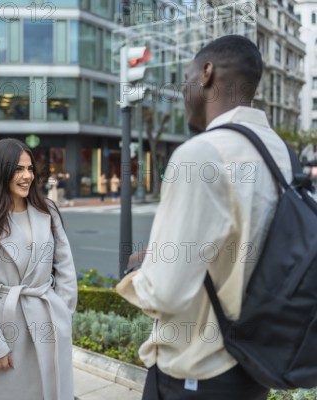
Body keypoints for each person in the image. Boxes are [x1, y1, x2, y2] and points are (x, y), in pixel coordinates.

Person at [116, 35, 291, 399]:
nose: (183, 89)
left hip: (195, 373)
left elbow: (165, 292)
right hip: (253, 369)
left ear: (207, 72)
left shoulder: (200, 154)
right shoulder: (278, 152)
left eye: (186, 75)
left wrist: (140, 270)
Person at [0, 138, 78, 400]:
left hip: (46, 320)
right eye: (18, 169)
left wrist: (63, 312)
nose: (27, 176)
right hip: (4, 323)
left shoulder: (47, 211)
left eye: (30, 168)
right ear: (0, 172)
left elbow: (65, 265)